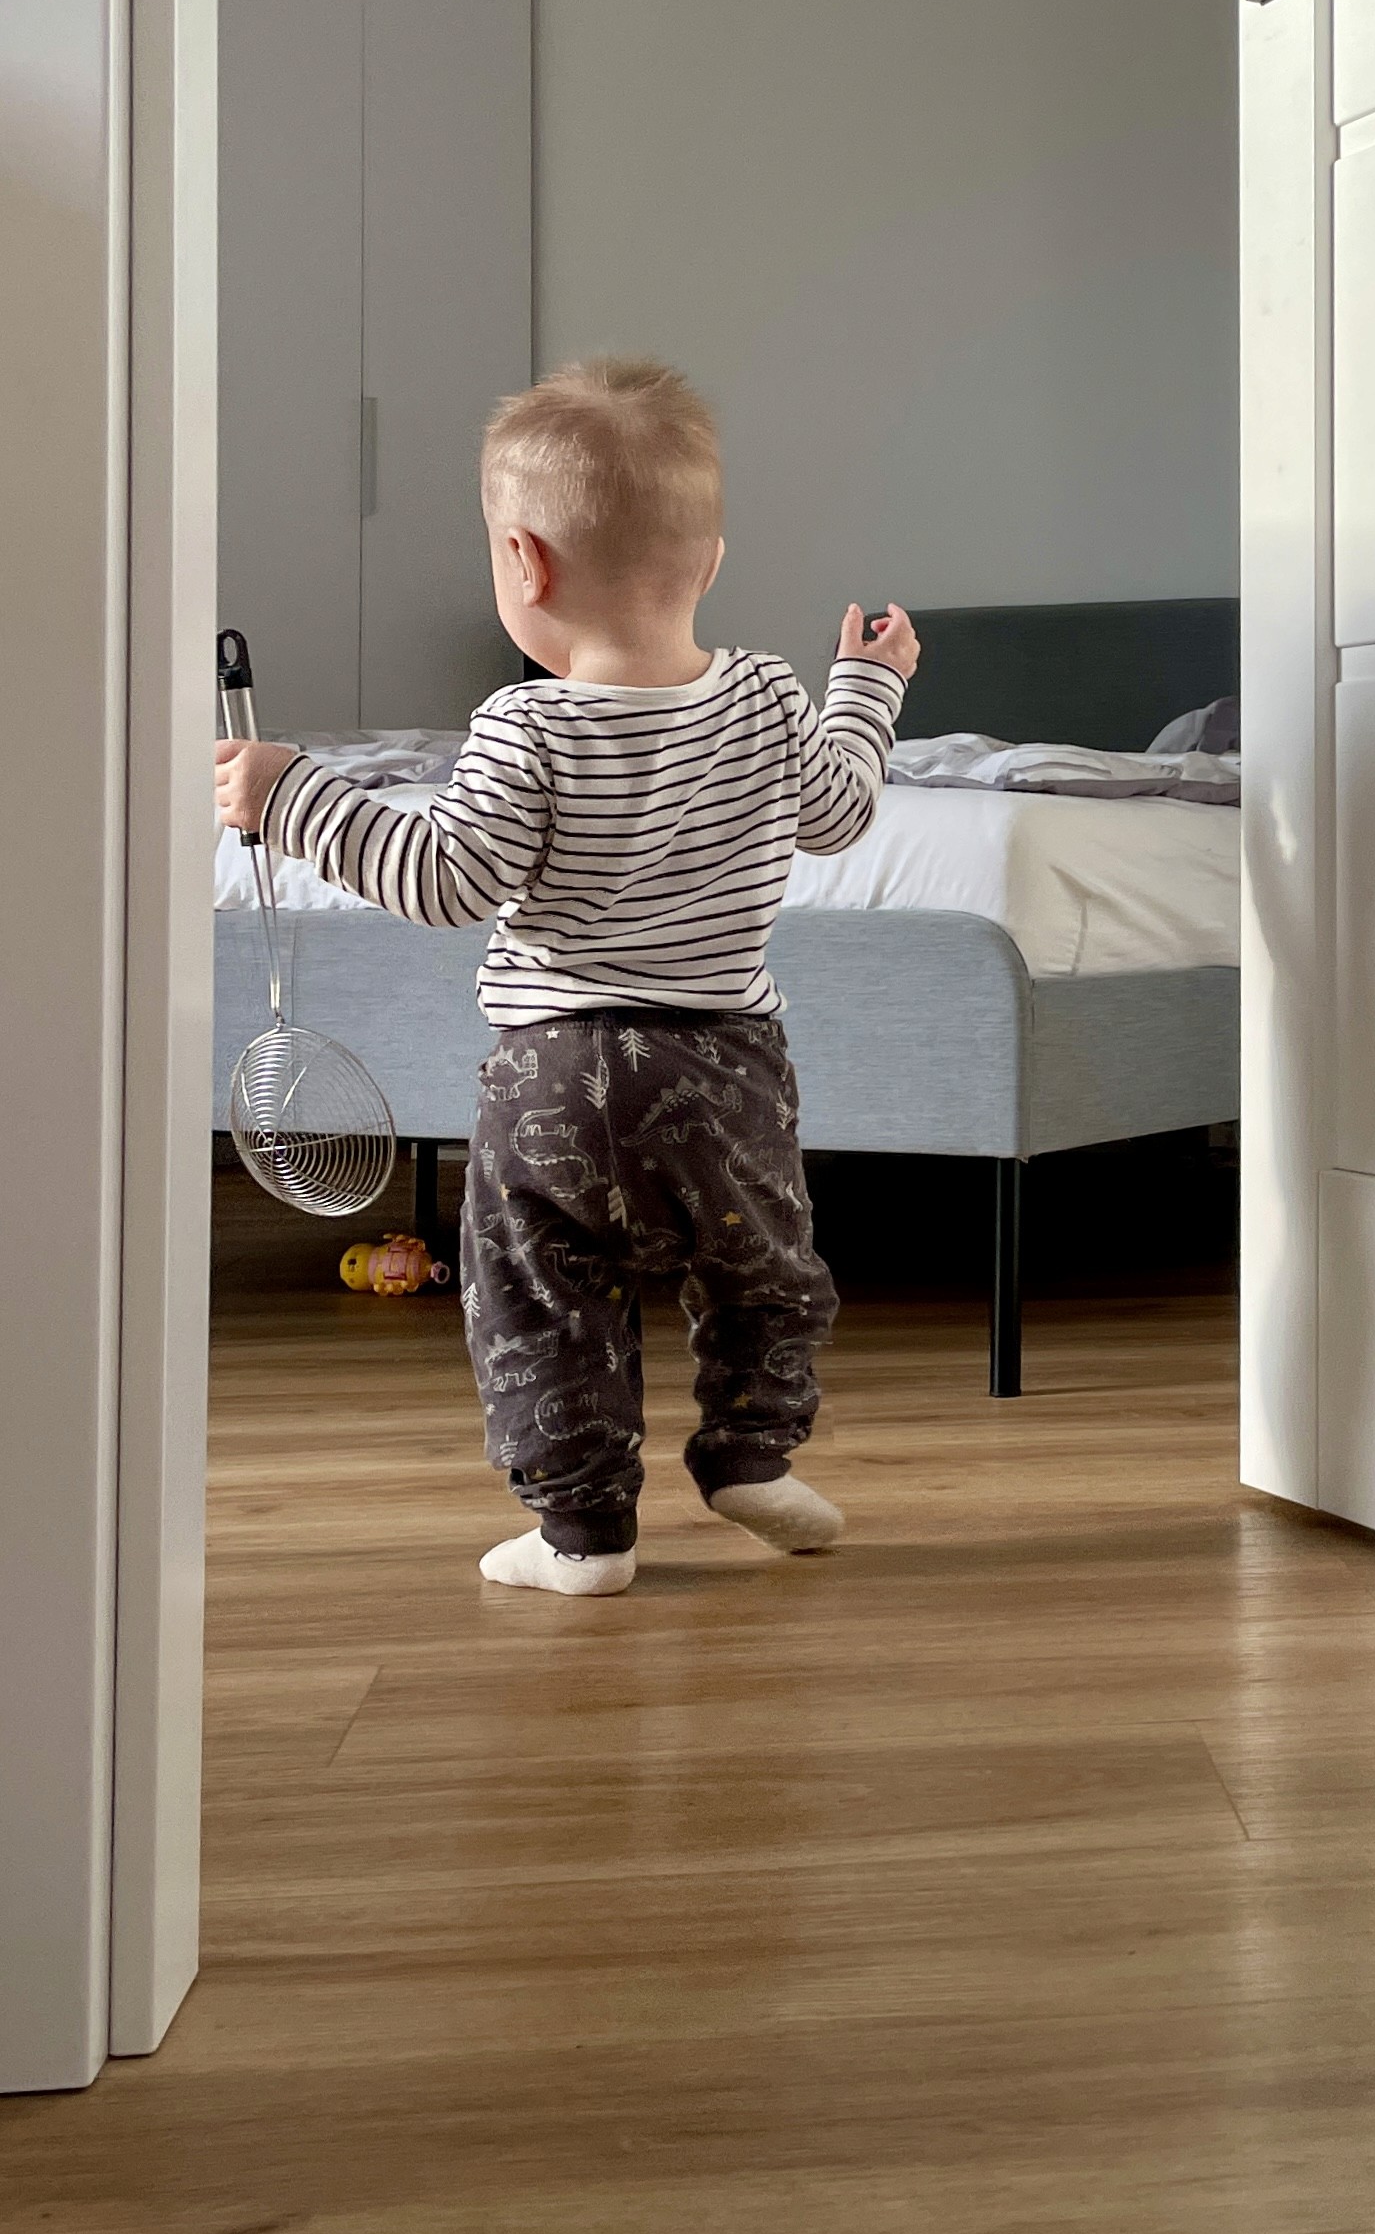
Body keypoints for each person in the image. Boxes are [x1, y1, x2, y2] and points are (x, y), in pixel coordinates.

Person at [213, 356, 918, 1599]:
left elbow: (445, 880)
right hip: (731, 1067)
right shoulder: (763, 694)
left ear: (523, 564)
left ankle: (583, 1532)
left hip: (560, 1074)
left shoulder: (524, 725)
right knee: (763, 1263)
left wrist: (294, 795)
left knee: (539, 1289)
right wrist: (866, 685)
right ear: (707, 563)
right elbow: (844, 809)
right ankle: (754, 1452)